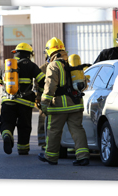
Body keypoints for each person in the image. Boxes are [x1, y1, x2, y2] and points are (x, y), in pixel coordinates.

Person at [37, 37, 91, 166]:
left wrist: (44, 102)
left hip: (59, 106)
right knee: (77, 129)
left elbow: (50, 85)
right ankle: (83, 157)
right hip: (76, 103)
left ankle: (50, 156)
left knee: (54, 130)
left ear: (50, 52)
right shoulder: (73, 63)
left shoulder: (53, 65)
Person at [0, 43, 42, 156]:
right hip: (25, 103)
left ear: (15, 53)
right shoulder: (31, 65)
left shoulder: (6, 66)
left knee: (6, 122)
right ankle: (23, 149)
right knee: (24, 126)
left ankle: (7, 134)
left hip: (7, 101)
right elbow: (42, 80)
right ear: (29, 54)